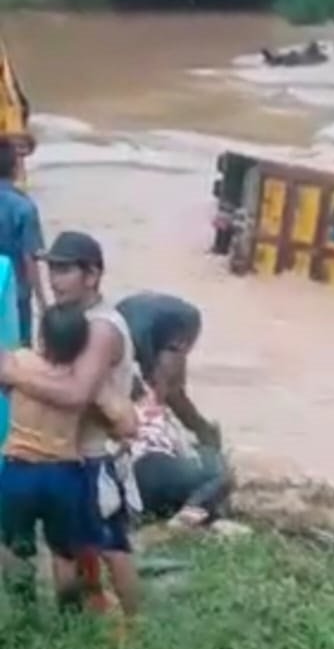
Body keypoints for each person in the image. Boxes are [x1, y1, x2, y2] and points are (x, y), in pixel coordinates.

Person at [0, 231, 140, 619]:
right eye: (51, 269)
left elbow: (76, 393)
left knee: (112, 546)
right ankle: (90, 619)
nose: (53, 279)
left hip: (96, 456)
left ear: (92, 275)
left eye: (64, 270)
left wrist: (15, 375)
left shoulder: (100, 328)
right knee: (80, 547)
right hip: (68, 457)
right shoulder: (74, 320)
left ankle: (134, 625)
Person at [116, 292, 219, 447]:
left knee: (168, 391)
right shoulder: (106, 343)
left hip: (180, 321)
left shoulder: (134, 344)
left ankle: (205, 433)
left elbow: (156, 392)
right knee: (132, 392)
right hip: (141, 314)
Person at [130, 379, 232, 528]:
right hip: (157, 463)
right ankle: (193, 508)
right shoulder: (153, 406)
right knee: (217, 467)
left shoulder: (110, 403)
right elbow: (180, 448)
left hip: (131, 484)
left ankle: (173, 511)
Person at [0, 138, 46, 346]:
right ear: (15, 168)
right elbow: (30, 258)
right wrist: (43, 304)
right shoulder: (24, 207)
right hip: (15, 295)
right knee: (18, 356)